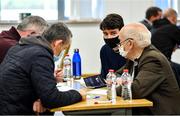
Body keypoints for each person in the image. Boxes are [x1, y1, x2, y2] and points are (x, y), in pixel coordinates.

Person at [0, 22, 86, 114]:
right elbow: (52, 99)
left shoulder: (20, 46)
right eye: (63, 48)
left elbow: (24, 80)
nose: (61, 52)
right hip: (15, 110)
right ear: (58, 43)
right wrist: (79, 94)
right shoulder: (41, 55)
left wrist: (41, 97)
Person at [116, 23, 180, 115]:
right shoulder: (134, 58)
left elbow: (136, 90)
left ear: (130, 43)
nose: (119, 46)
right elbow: (117, 74)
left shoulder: (152, 59)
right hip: (144, 109)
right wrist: (118, 81)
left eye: (120, 42)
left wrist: (113, 87)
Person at [151, 8, 180, 86]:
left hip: (151, 61)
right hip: (163, 62)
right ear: (173, 18)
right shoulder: (171, 27)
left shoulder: (154, 27)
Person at [99, 13, 126, 79]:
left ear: (122, 31)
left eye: (113, 33)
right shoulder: (104, 50)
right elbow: (105, 76)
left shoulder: (130, 49)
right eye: (105, 34)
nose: (109, 37)